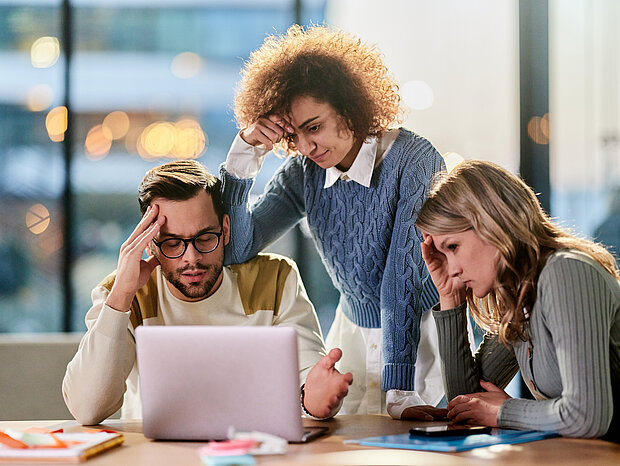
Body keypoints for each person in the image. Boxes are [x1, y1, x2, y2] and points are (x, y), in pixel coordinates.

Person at [220, 24, 448, 420]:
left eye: (315, 127)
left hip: (417, 341)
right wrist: (245, 154)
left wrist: (399, 389)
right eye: (295, 135)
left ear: (349, 107)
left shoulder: (414, 161)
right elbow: (237, 248)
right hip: (351, 336)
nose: (307, 147)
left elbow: (400, 283)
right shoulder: (303, 172)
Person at [63, 160, 352, 425]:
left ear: (225, 229)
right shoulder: (123, 292)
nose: (191, 258)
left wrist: (316, 400)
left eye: (204, 238)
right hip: (157, 456)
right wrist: (121, 297)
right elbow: (87, 409)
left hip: (257, 451)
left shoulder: (276, 278)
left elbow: (310, 383)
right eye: (173, 243)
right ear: (150, 243)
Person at [416, 159, 620, 440]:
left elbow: (587, 417)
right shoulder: (521, 297)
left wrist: (505, 411)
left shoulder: (566, 272)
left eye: (453, 247)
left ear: (491, 223)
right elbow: (467, 402)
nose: (453, 269)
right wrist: (450, 295)